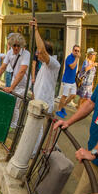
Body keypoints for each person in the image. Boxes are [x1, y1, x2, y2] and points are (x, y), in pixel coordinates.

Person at [52, 31, 98, 194]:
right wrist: (68, 121)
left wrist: (94, 153)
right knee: (94, 192)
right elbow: (91, 103)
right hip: (97, 150)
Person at [30, 18, 61, 155]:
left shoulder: (53, 64)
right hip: (38, 101)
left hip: (44, 105)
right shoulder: (44, 64)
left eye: (38, 52)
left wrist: (36, 30)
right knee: (36, 129)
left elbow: (42, 50)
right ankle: (36, 150)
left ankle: (34, 153)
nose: (37, 54)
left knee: (38, 130)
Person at [0, 33, 30, 130]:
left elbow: (22, 71)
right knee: (12, 102)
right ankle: (12, 122)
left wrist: (12, 87)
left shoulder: (26, 54)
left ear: (22, 45)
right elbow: (3, 67)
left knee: (15, 104)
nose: (16, 48)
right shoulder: (9, 53)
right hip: (15, 81)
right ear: (11, 45)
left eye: (18, 45)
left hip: (23, 84)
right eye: (14, 45)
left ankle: (14, 125)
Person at [56, 45, 81, 119]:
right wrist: (77, 58)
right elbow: (72, 66)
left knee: (73, 95)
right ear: (72, 51)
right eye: (75, 50)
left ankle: (63, 106)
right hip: (67, 80)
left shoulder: (75, 58)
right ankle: (59, 110)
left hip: (72, 81)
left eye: (78, 51)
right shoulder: (69, 58)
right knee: (64, 96)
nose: (76, 52)